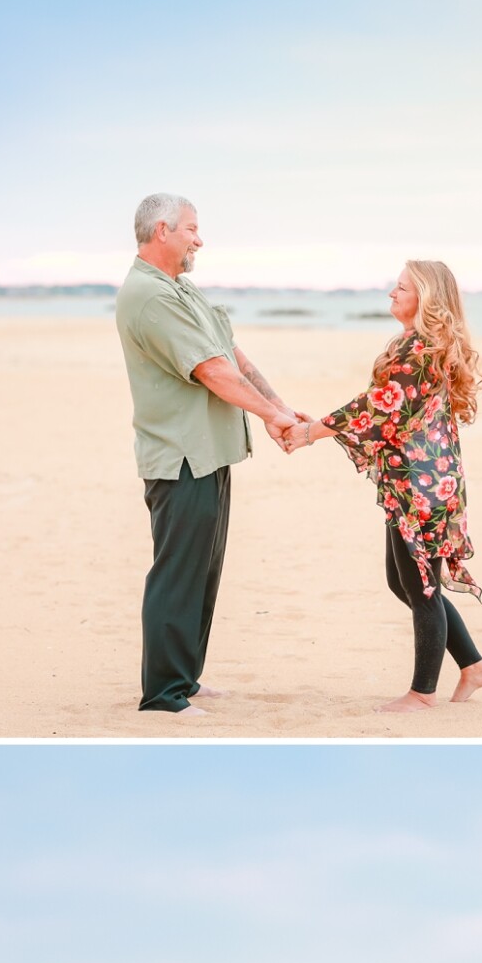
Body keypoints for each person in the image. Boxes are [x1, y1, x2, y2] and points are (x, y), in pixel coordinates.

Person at [116, 195, 306, 716]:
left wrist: (280, 408)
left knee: (203, 572)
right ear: (163, 230)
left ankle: (185, 678)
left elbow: (233, 356)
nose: (200, 240)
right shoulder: (151, 298)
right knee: (177, 573)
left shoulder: (181, 289)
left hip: (209, 453)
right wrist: (272, 418)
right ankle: (163, 694)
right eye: (192, 229)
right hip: (180, 456)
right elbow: (211, 371)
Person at [282, 261, 482, 713]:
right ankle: (473, 666)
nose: (391, 294)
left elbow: (380, 407)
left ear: (427, 297)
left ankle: (422, 693)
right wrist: (319, 426)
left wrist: (313, 431)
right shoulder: (415, 343)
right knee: (405, 583)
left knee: (421, 589)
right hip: (416, 481)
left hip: (423, 486)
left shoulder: (421, 348)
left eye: (401, 288)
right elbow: (385, 410)